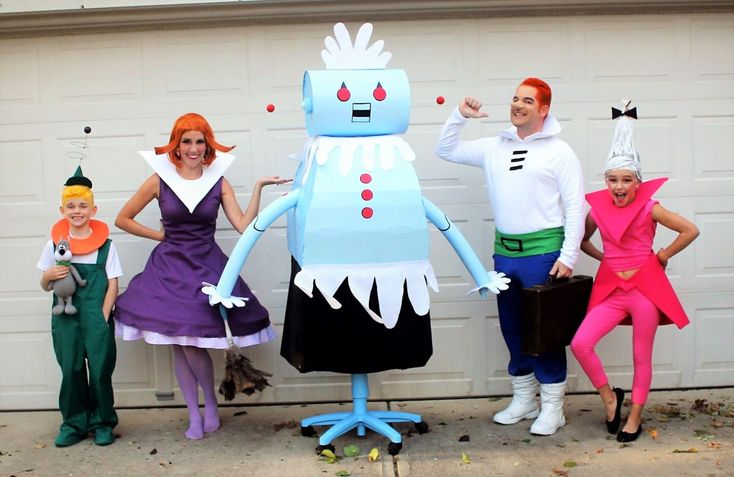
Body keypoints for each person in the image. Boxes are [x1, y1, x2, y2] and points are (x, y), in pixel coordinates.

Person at [114, 113, 289, 440]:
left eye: (199, 141)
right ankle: (195, 413)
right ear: (176, 145)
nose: (193, 148)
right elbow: (122, 219)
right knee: (181, 343)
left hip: (206, 267)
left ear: (207, 145)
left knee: (193, 344)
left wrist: (258, 188)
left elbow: (243, 225)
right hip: (169, 269)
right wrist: (160, 236)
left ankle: (210, 403)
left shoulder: (218, 182)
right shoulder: (158, 180)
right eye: (186, 141)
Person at [435, 78, 585, 435]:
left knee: (544, 332)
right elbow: (445, 150)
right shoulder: (494, 146)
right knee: (513, 329)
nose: (518, 105)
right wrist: (459, 115)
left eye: (528, 101)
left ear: (544, 109)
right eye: (515, 99)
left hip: (544, 253)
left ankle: (553, 408)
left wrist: (569, 255)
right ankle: (523, 399)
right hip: (505, 254)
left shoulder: (559, 151)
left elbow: (576, 206)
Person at [570, 103, 698, 442]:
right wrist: (605, 260)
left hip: (644, 293)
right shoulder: (597, 210)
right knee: (581, 343)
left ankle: (635, 418)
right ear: (605, 181)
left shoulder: (650, 207)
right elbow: (582, 240)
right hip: (612, 291)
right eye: (612, 179)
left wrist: (662, 256)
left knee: (641, 355)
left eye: (626, 179)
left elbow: (689, 230)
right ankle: (610, 398)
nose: (618, 186)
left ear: (638, 182)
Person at [37, 166, 122, 447]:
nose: (77, 211)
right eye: (71, 206)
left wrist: (104, 313)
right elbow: (45, 283)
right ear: (62, 210)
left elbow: (113, 283)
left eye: (83, 205)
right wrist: (48, 276)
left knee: (99, 370)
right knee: (71, 369)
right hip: (65, 317)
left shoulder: (106, 246)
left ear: (93, 210)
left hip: (96, 316)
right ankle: (73, 422)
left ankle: (102, 422)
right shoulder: (54, 245)